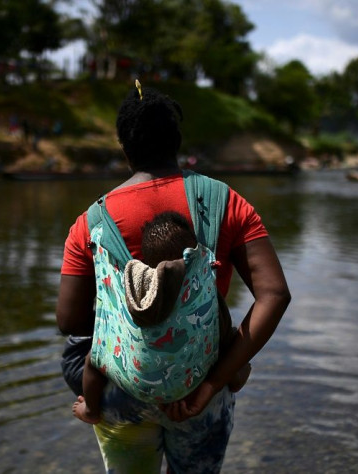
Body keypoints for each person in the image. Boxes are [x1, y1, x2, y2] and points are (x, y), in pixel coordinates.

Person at [56, 82, 290, 473]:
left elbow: (70, 321)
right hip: (200, 384)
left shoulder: (90, 223)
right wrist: (216, 381)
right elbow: (275, 295)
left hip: (121, 388)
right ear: (177, 142)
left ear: (124, 148)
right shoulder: (225, 202)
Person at [71, 211, 251, 425]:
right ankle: (236, 377)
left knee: (94, 359)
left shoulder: (135, 290)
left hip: (136, 384)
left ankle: (91, 410)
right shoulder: (200, 292)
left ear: (147, 261)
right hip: (191, 382)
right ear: (192, 255)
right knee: (228, 338)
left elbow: (70, 322)